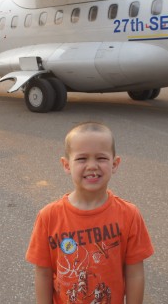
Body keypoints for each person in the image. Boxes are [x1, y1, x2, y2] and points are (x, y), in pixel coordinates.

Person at [26, 122, 154, 304]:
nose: (92, 165)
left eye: (101, 158)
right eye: (82, 159)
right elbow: (43, 274)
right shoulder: (49, 217)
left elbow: (134, 274)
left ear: (115, 164)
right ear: (66, 165)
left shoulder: (129, 215)